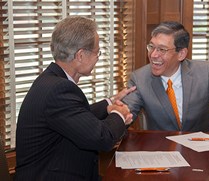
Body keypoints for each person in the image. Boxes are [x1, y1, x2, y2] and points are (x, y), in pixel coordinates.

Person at [15, 16, 135, 181]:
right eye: (97, 52)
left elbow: (74, 116)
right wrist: (120, 114)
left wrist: (109, 105)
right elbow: (102, 138)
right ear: (80, 56)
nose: (98, 57)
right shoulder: (59, 89)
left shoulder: (51, 79)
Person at [122, 21, 209, 142]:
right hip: (161, 151)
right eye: (151, 47)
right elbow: (126, 113)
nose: (153, 55)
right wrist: (118, 113)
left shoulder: (204, 72)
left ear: (181, 54)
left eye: (162, 49)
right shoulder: (139, 78)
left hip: (203, 150)